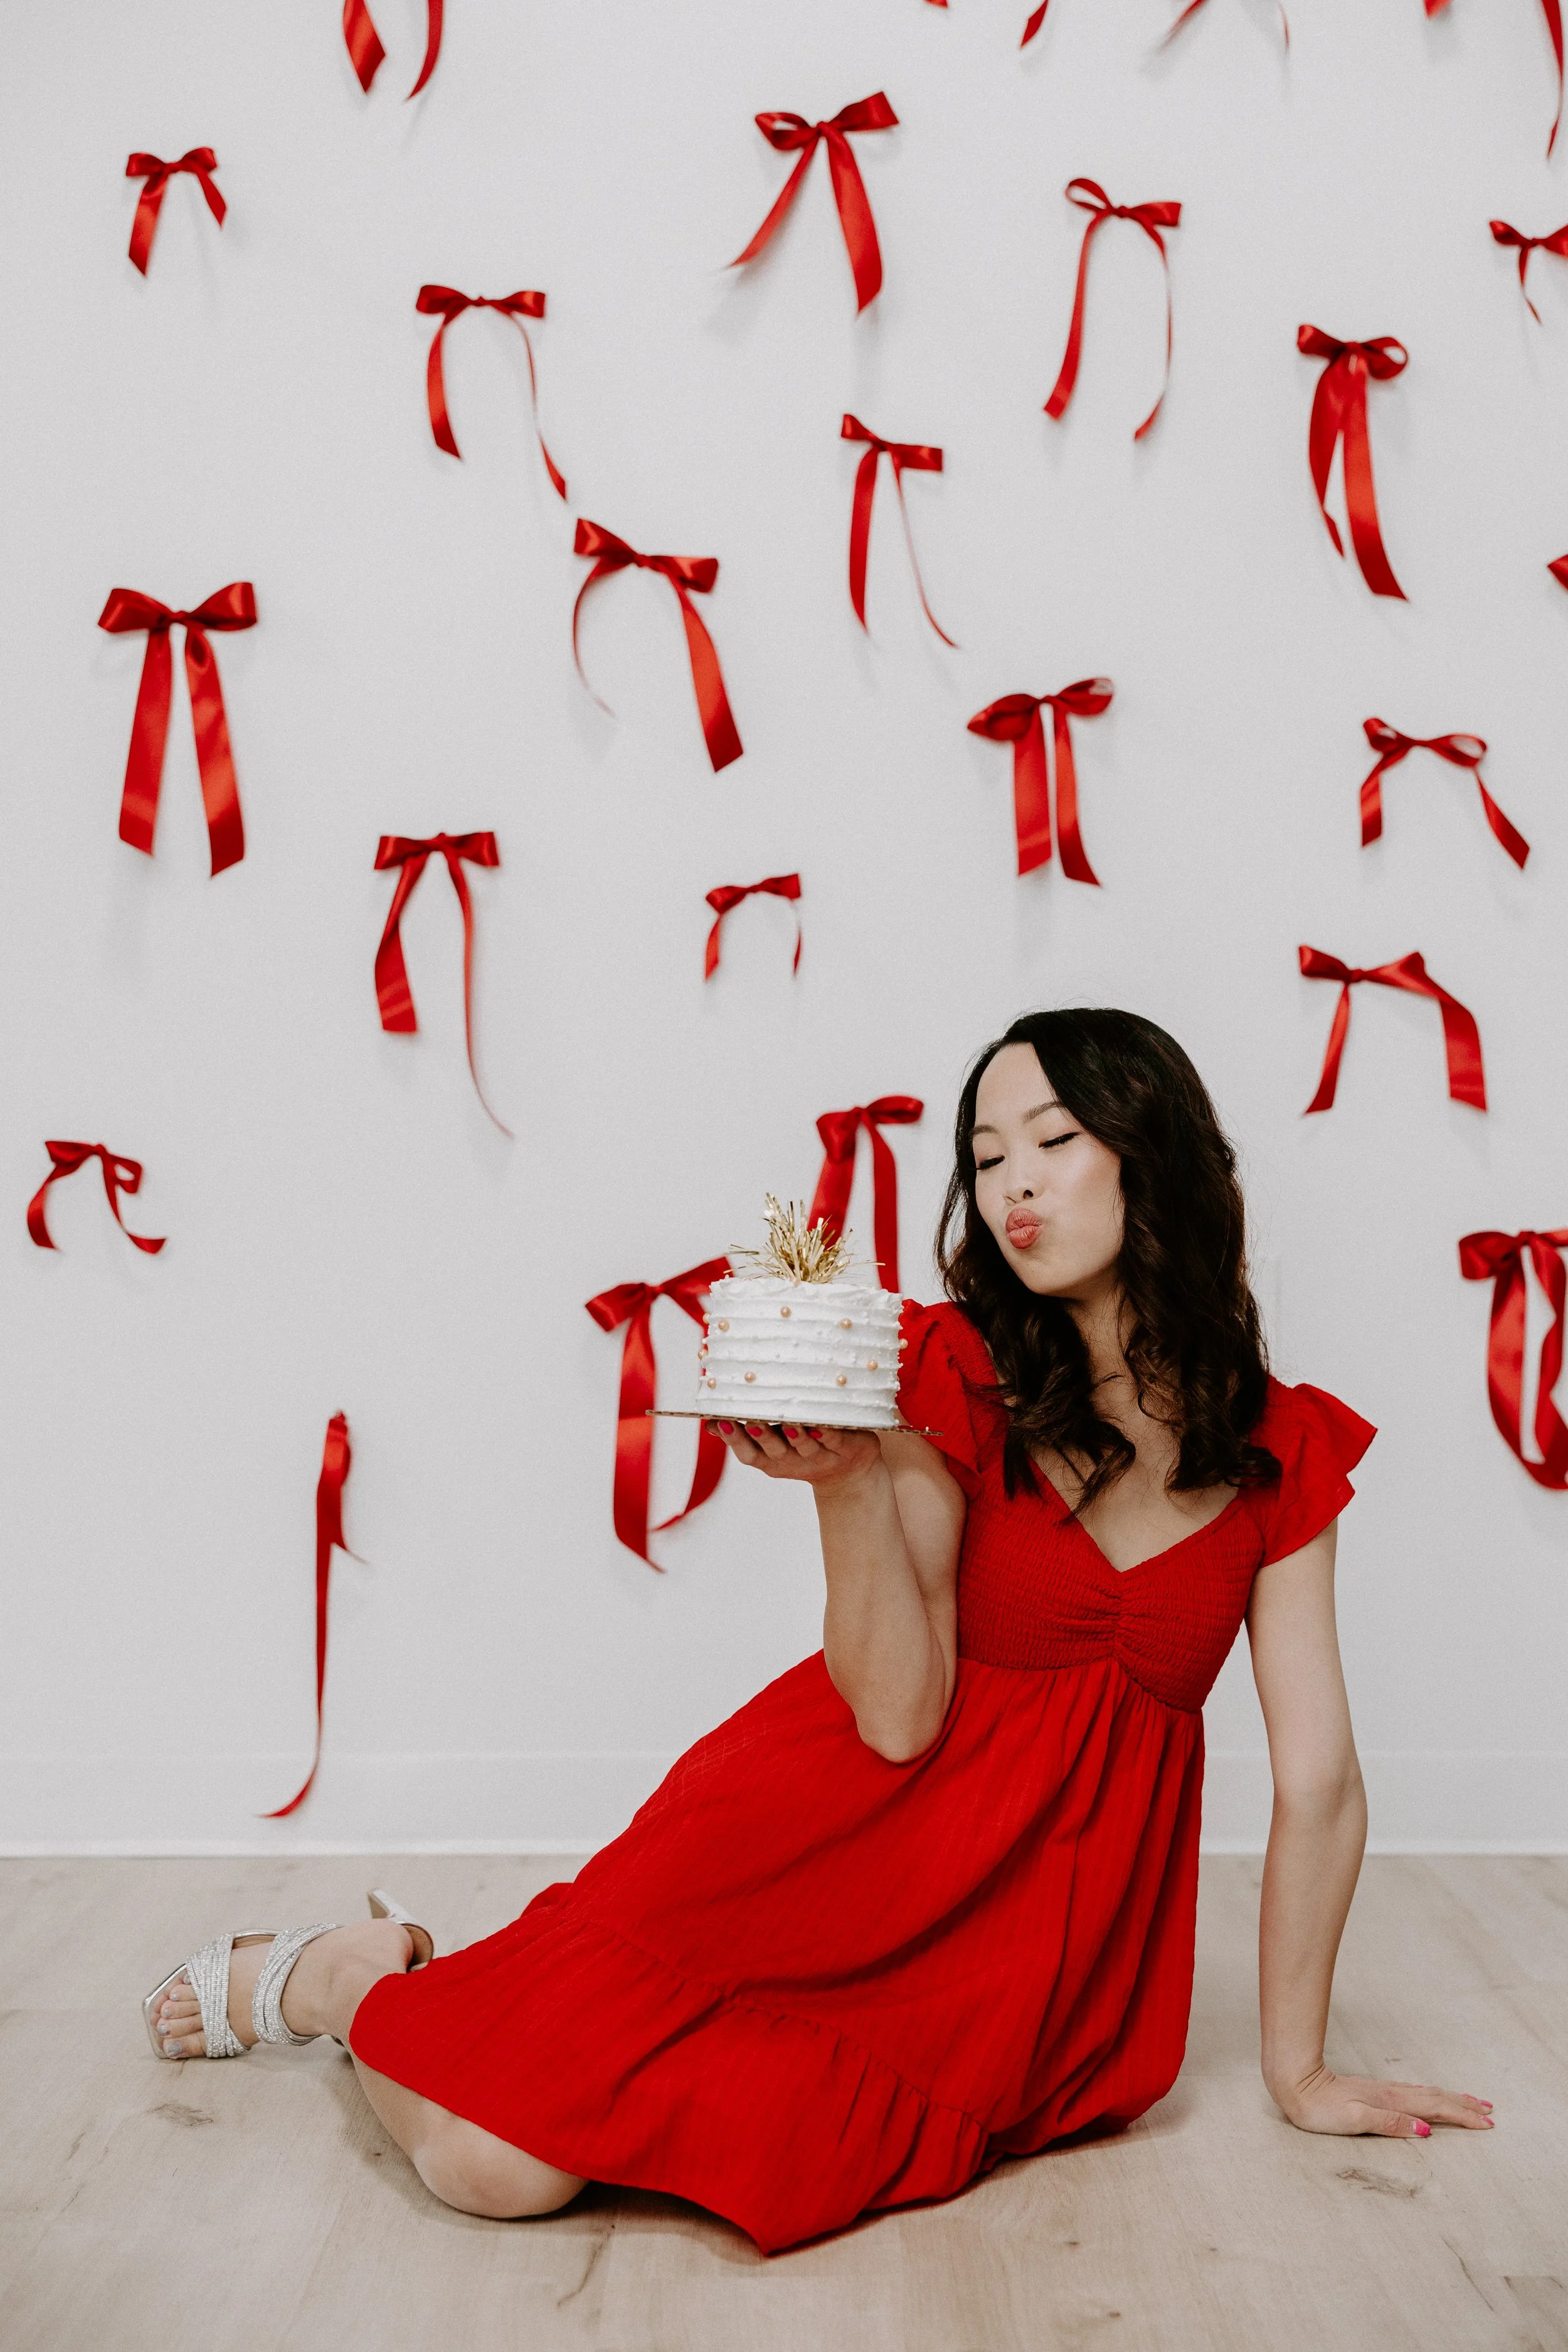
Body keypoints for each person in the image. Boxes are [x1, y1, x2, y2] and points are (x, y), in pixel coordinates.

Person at [145, 1008, 1493, 2249]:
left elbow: (1316, 1782)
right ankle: (341, 1979)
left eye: (1052, 1141)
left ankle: (397, 1989)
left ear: (1160, 1155)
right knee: (498, 2170)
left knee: (644, 2157)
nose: (1009, 1184)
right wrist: (844, 1484)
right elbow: (898, 1715)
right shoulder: (949, 1370)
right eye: (982, 1157)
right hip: (824, 1843)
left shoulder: (1281, 1447)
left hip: (1014, 1964)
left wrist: (1299, 2072)